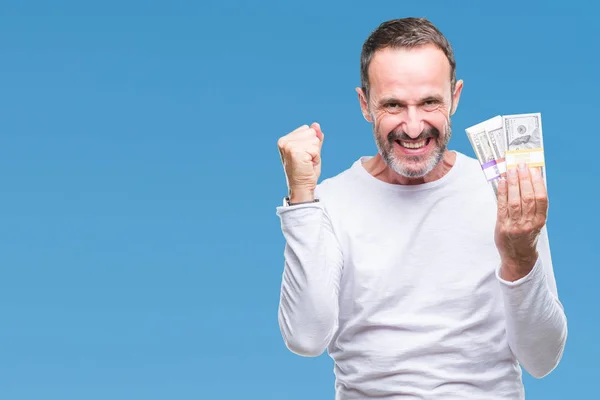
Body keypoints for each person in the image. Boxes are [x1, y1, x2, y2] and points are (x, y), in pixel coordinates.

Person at [274, 17, 567, 399]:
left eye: (430, 102)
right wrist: (301, 196)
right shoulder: (328, 201)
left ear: (455, 97)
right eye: (393, 105)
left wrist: (519, 256)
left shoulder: (505, 192)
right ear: (365, 104)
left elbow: (542, 359)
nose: (413, 128)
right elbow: (305, 338)